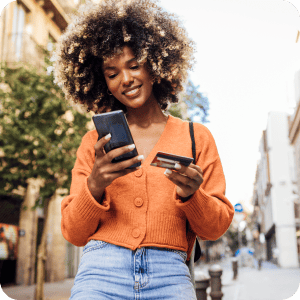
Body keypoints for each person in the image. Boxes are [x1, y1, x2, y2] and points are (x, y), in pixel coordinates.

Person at [54, 0, 234, 299]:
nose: (125, 79)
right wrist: (95, 184)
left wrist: (193, 195)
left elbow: (214, 228)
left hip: (170, 273)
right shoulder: (93, 142)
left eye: (134, 65)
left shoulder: (195, 136)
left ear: (155, 66)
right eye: (112, 73)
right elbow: (74, 233)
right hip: (101, 271)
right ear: (103, 82)